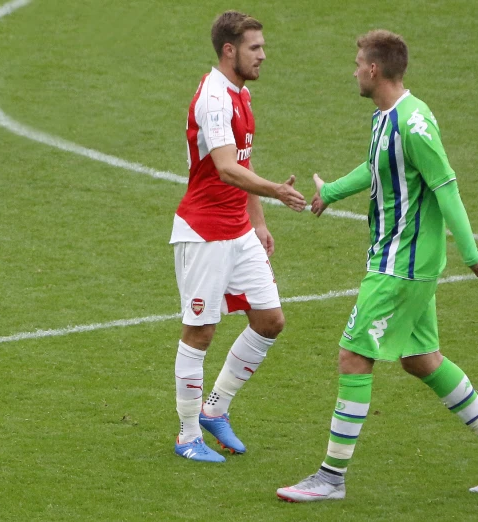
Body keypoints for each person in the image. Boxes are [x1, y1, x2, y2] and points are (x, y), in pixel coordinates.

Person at [276, 29, 478, 501]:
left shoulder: (414, 124)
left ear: (375, 69)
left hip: (402, 265)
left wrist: (472, 258)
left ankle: (331, 478)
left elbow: (445, 186)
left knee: (353, 354)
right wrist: (329, 192)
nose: (353, 71)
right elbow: (377, 168)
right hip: (398, 258)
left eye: (357, 63)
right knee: (420, 359)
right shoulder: (385, 117)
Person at [170, 11, 306, 463]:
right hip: (205, 232)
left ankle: (216, 409)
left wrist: (260, 221)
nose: (263, 55)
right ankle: (188, 436)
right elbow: (227, 168)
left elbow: (241, 165)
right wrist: (277, 191)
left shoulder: (241, 93)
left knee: (270, 321)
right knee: (200, 332)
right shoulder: (214, 98)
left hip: (239, 229)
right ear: (229, 51)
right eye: (255, 48)